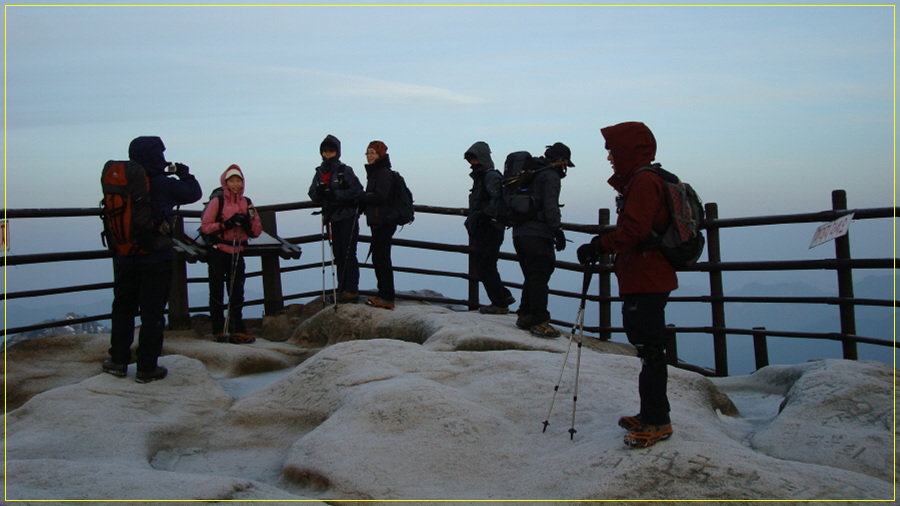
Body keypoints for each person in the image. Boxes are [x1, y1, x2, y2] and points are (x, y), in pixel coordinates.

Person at [576, 121, 677, 448]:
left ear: (628, 150)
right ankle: (651, 413)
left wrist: (600, 246)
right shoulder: (641, 180)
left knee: (650, 349)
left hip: (647, 277)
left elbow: (634, 230)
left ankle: (657, 420)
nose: (608, 155)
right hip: (644, 275)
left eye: (612, 149)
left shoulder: (644, 181)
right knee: (648, 348)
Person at [103, 136, 202, 383]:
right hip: (156, 258)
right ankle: (147, 367)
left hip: (125, 256)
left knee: (123, 309)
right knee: (152, 313)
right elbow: (194, 193)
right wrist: (184, 174)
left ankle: (118, 361)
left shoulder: (124, 183)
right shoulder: (163, 183)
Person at [513, 142, 573, 338]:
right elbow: (550, 206)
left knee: (531, 274)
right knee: (540, 275)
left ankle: (525, 315)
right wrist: (557, 230)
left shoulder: (531, 172)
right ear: (561, 161)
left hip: (519, 232)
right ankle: (540, 321)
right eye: (565, 163)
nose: (565, 168)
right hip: (537, 234)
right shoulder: (550, 176)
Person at [201, 164, 263, 344]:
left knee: (237, 292)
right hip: (219, 250)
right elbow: (206, 226)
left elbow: (257, 230)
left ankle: (236, 329)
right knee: (217, 291)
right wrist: (225, 225)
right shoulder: (217, 201)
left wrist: (246, 224)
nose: (235, 184)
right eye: (232, 181)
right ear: (225, 182)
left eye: (238, 180)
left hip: (237, 251)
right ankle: (218, 329)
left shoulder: (246, 202)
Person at [308, 135, 364, 304]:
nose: (328, 154)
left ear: (337, 152)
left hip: (347, 217)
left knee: (348, 253)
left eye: (331, 150)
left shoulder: (344, 170)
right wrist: (319, 194)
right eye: (325, 151)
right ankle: (342, 289)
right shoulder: (319, 172)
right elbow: (311, 193)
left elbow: (357, 191)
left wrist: (334, 194)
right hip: (332, 218)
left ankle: (351, 291)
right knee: (339, 254)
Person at [463, 141, 515, 314]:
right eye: (470, 159)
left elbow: (495, 201)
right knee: (485, 264)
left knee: (485, 265)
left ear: (483, 157)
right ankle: (503, 295)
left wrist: (483, 216)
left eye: (475, 158)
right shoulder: (481, 175)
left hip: (491, 227)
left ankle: (500, 303)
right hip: (486, 226)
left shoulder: (490, 176)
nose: (472, 162)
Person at [359, 140, 396, 309]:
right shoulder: (376, 172)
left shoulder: (382, 173)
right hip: (379, 220)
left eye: (373, 152)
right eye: (367, 152)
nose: (369, 155)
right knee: (379, 257)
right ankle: (384, 295)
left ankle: (386, 297)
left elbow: (381, 196)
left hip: (383, 221)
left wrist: (362, 196)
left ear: (380, 154)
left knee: (381, 258)